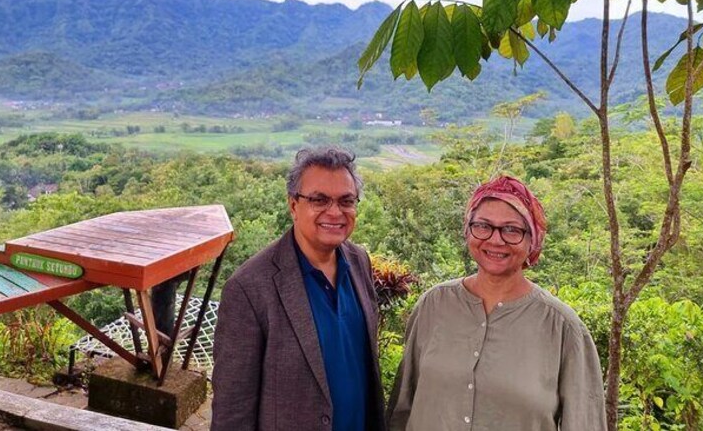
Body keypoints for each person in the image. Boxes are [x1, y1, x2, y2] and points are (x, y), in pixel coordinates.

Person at [386, 176, 606, 431]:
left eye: (512, 230)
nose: (495, 239)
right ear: (468, 230)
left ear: (532, 240)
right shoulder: (433, 306)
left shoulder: (563, 329)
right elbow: (401, 410)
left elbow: (585, 423)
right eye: (483, 226)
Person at [211, 146, 385, 431]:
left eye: (346, 201)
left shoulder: (359, 262)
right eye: (319, 200)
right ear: (293, 205)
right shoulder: (250, 288)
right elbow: (233, 410)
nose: (335, 212)